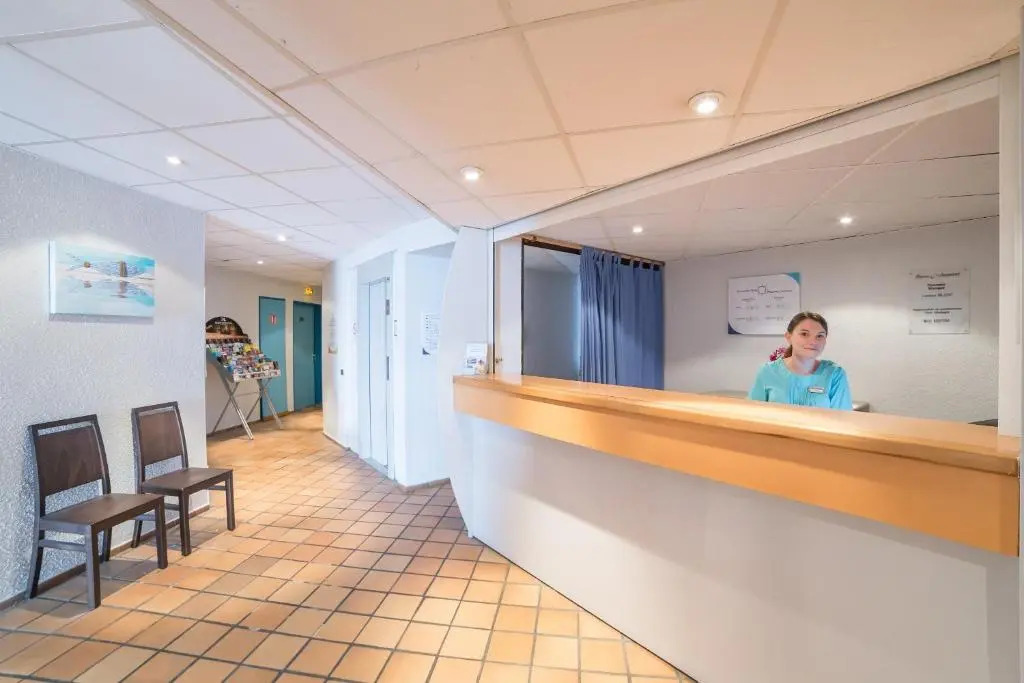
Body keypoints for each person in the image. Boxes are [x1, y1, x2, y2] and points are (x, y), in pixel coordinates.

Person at [747, 311, 852, 410]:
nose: (813, 341)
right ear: (789, 337)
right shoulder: (768, 372)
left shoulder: (834, 374)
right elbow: (752, 413)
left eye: (819, 336)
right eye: (804, 334)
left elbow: (842, 418)